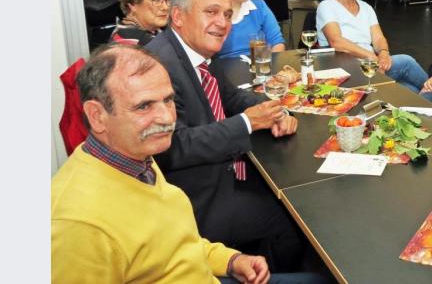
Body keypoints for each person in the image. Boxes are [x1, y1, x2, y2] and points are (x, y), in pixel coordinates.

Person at [52, 44, 273, 284]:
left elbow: (172, 244)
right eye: (144, 106)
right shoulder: (78, 225)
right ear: (97, 116)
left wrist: (228, 260)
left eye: (168, 100)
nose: (167, 118)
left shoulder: (136, 157)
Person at [144, 0, 305, 272]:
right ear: (178, 17)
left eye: (227, 15)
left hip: (218, 174)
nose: (222, 23)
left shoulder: (195, 52)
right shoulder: (160, 66)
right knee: (294, 221)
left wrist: (272, 110)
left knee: (290, 191)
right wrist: (247, 123)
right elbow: (174, 146)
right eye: (211, 12)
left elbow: (230, 96)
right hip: (195, 200)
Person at [316, 0, 428, 93]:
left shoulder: (366, 8)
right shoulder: (327, 6)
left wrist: (384, 54)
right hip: (343, 69)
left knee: (410, 90)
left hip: (370, 66)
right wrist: (372, 57)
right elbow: (337, 42)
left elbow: (378, 39)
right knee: (406, 62)